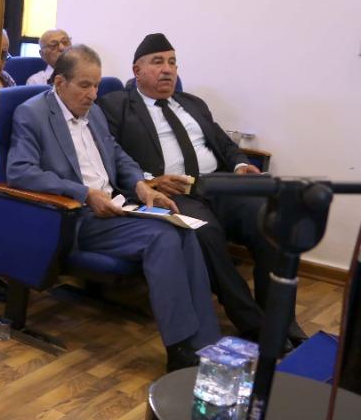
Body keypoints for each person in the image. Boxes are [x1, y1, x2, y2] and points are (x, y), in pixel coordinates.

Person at [6, 45, 221, 371]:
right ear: (60, 82)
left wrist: (141, 184)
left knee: (183, 230)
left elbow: (118, 155)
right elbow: (20, 171)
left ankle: (205, 342)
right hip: (76, 216)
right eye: (85, 85)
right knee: (162, 238)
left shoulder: (93, 113)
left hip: (117, 207)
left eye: (96, 85)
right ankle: (180, 350)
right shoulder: (32, 114)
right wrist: (84, 193)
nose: (93, 94)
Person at [98, 33, 302, 344]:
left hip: (218, 184)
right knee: (205, 233)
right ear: (136, 70)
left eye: (172, 62)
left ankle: (282, 321)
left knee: (273, 221)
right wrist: (149, 180)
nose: (167, 69)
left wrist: (239, 165)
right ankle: (253, 323)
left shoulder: (193, 104)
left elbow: (223, 143)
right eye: (158, 62)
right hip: (171, 193)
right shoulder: (116, 106)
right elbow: (111, 155)